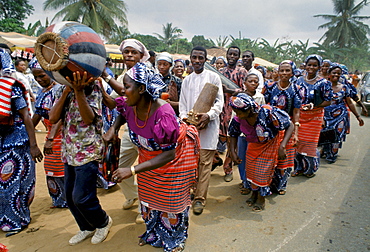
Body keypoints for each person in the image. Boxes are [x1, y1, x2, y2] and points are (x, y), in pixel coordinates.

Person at [104, 62, 200, 252]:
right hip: (149, 159)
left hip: (174, 160)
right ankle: (154, 234)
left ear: (141, 88)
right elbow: (121, 113)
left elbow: (169, 153)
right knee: (150, 198)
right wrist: (113, 129)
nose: (123, 91)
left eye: (127, 86)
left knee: (171, 201)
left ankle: (175, 239)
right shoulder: (132, 104)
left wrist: (131, 170)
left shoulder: (163, 113)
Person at [49, 71, 112, 245]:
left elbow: (89, 118)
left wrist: (78, 91)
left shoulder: (94, 87)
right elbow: (53, 117)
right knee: (69, 196)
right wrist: (66, 93)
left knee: (82, 197)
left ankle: (103, 222)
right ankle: (86, 227)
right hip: (69, 151)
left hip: (88, 150)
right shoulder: (63, 89)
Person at [102, 39, 150, 221]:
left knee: (144, 170)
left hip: (147, 131)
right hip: (131, 130)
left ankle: (143, 208)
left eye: (133, 52)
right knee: (120, 166)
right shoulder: (123, 76)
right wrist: (101, 88)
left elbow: (124, 93)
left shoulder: (147, 73)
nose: (129, 55)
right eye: (126, 52)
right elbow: (117, 104)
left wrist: (106, 77)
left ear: (141, 56)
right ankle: (132, 195)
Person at [0, 49, 43, 234]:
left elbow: (26, 116)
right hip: (3, 141)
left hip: (16, 141)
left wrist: (33, 145)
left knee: (13, 183)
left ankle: (16, 220)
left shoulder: (12, 86)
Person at [229, 93, 293, 211]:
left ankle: (261, 198)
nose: (238, 115)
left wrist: (282, 146)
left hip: (269, 144)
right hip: (253, 145)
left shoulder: (268, 113)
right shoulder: (239, 119)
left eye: (240, 112)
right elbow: (233, 134)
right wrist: (232, 152)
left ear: (249, 110)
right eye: (236, 112)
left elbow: (290, 124)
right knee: (251, 172)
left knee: (262, 173)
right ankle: (254, 194)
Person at [179, 46, 224, 215]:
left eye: (200, 58)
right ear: (190, 59)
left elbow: (220, 103)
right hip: (190, 130)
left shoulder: (214, 77)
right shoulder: (187, 80)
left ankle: (199, 199)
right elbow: (183, 106)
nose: (197, 61)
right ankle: (190, 193)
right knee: (191, 164)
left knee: (205, 165)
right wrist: (185, 119)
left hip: (208, 128)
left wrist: (209, 116)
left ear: (206, 60)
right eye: (194, 57)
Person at [29, 58, 67, 208]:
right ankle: (59, 199)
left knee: (61, 168)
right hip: (51, 134)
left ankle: (67, 200)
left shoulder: (60, 89)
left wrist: (51, 138)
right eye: (35, 77)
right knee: (51, 168)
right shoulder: (42, 92)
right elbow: (37, 114)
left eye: (42, 76)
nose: (39, 80)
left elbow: (61, 117)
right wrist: (27, 131)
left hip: (60, 135)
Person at [263, 60, 301, 195]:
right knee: (270, 157)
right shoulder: (270, 87)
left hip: (288, 128)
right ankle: (268, 184)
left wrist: (295, 131)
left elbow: (296, 111)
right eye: (282, 70)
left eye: (287, 71)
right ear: (278, 72)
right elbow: (265, 104)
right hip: (272, 127)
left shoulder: (296, 89)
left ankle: (281, 185)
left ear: (292, 73)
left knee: (285, 158)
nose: (284, 73)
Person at [293, 54, 333, 178]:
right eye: (309, 64)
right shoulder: (298, 80)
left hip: (314, 118)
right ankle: (298, 167)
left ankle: (310, 169)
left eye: (315, 65)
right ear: (305, 65)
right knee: (297, 142)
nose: (311, 67)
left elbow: (328, 101)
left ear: (319, 67)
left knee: (310, 144)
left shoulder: (324, 83)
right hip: (299, 116)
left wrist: (313, 105)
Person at [320, 63, 364, 163]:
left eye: (338, 73)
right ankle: (326, 150)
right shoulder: (323, 86)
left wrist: (358, 116)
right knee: (326, 134)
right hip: (326, 115)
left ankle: (332, 155)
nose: (336, 75)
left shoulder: (344, 87)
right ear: (329, 74)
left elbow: (350, 103)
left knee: (338, 134)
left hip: (340, 115)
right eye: (334, 73)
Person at [219, 46, 247, 182]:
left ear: (238, 57)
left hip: (234, 111)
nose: (232, 56)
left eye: (235, 54)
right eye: (230, 54)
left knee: (231, 141)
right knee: (216, 140)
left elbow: (246, 91)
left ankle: (228, 169)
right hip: (220, 110)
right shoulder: (220, 72)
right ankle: (215, 161)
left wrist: (229, 90)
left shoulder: (242, 72)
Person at [236, 73, 265, 195]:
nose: (253, 84)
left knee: (253, 158)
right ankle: (244, 181)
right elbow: (235, 116)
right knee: (241, 157)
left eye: (255, 81)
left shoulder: (260, 97)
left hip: (255, 134)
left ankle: (252, 181)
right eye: (250, 81)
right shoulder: (239, 97)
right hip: (242, 133)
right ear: (245, 83)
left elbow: (262, 114)